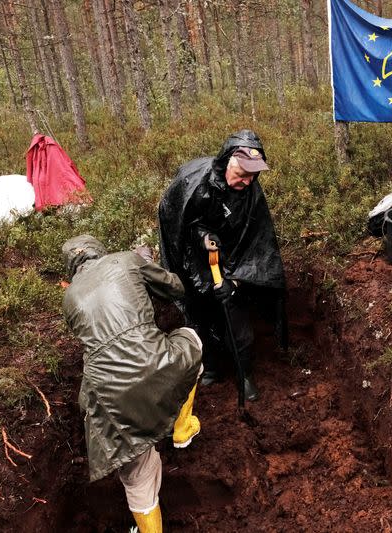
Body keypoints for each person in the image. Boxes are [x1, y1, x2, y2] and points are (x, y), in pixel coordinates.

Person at [61, 234, 203, 532]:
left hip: (108, 393)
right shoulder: (127, 259)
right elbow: (175, 287)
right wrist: (145, 266)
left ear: (71, 269)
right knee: (190, 342)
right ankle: (181, 428)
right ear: (102, 250)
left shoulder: (70, 296)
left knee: (137, 471)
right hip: (157, 364)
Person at [158, 129, 287, 401]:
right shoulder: (195, 183)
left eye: (253, 175)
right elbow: (177, 224)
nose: (247, 180)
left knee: (234, 313)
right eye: (241, 174)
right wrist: (203, 237)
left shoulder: (251, 193)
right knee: (199, 314)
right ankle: (212, 367)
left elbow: (257, 244)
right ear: (227, 161)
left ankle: (245, 374)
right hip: (194, 261)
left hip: (233, 262)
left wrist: (235, 280)